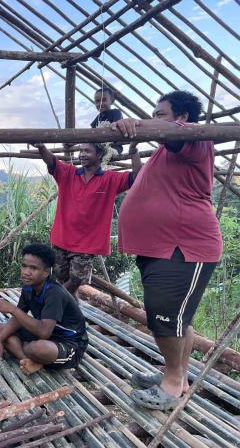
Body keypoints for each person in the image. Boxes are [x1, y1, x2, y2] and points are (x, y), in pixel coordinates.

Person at [112, 90, 222, 411]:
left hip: (184, 247)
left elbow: (169, 134)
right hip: (162, 247)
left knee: (163, 317)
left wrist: (137, 124)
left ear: (182, 118)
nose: (154, 119)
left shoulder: (198, 140)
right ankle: (178, 376)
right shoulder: (165, 152)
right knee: (177, 320)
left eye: (160, 114)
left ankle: (172, 385)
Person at [33, 141, 141, 297]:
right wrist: (42, 147)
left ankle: (52, 300)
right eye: (80, 150)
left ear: (99, 155)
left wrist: (133, 150)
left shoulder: (109, 179)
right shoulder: (68, 173)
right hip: (62, 238)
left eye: (87, 151)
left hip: (87, 243)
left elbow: (137, 176)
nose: (82, 154)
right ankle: (69, 313)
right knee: (62, 277)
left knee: (76, 279)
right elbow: (51, 161)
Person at [0, 243, 88, 374]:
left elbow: (43, 332)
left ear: (46, 272)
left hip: (69, 344)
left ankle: (31, 355)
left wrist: (12, 309)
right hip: (46, 336)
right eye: (24, 266)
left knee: (37, 348)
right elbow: (18, 319)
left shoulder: (54, 293)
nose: (26, 272)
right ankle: (28, 361)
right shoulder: (28, 288)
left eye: (33, 268)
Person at [91, 87, 124, 155]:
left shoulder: (116, 112)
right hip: (99, 148)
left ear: (112, 101)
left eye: (104, 100)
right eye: (97, 101)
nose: (100, 104)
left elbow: (117, 125)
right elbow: (91, 131)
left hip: (114, 146)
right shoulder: (98, 118)